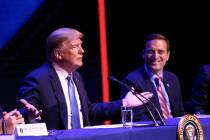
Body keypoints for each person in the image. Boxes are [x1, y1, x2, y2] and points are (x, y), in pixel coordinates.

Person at [17, 27, 153, 130]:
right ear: (58, 54)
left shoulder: (76, 77)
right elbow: (23, 114)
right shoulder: (37, 79)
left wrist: (124, 103)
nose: (82, 51)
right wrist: (31, 116)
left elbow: (89, 112)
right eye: (75, 46)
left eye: (81, 46)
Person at [120, 33, 185, 122]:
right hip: (152, 132)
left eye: (160, 52)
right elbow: (138, 118)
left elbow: (180, 113)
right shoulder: (132, 81)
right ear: (143, 54)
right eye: (151, 51)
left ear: (168, 55)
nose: (155, 56)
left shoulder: (173, 79)